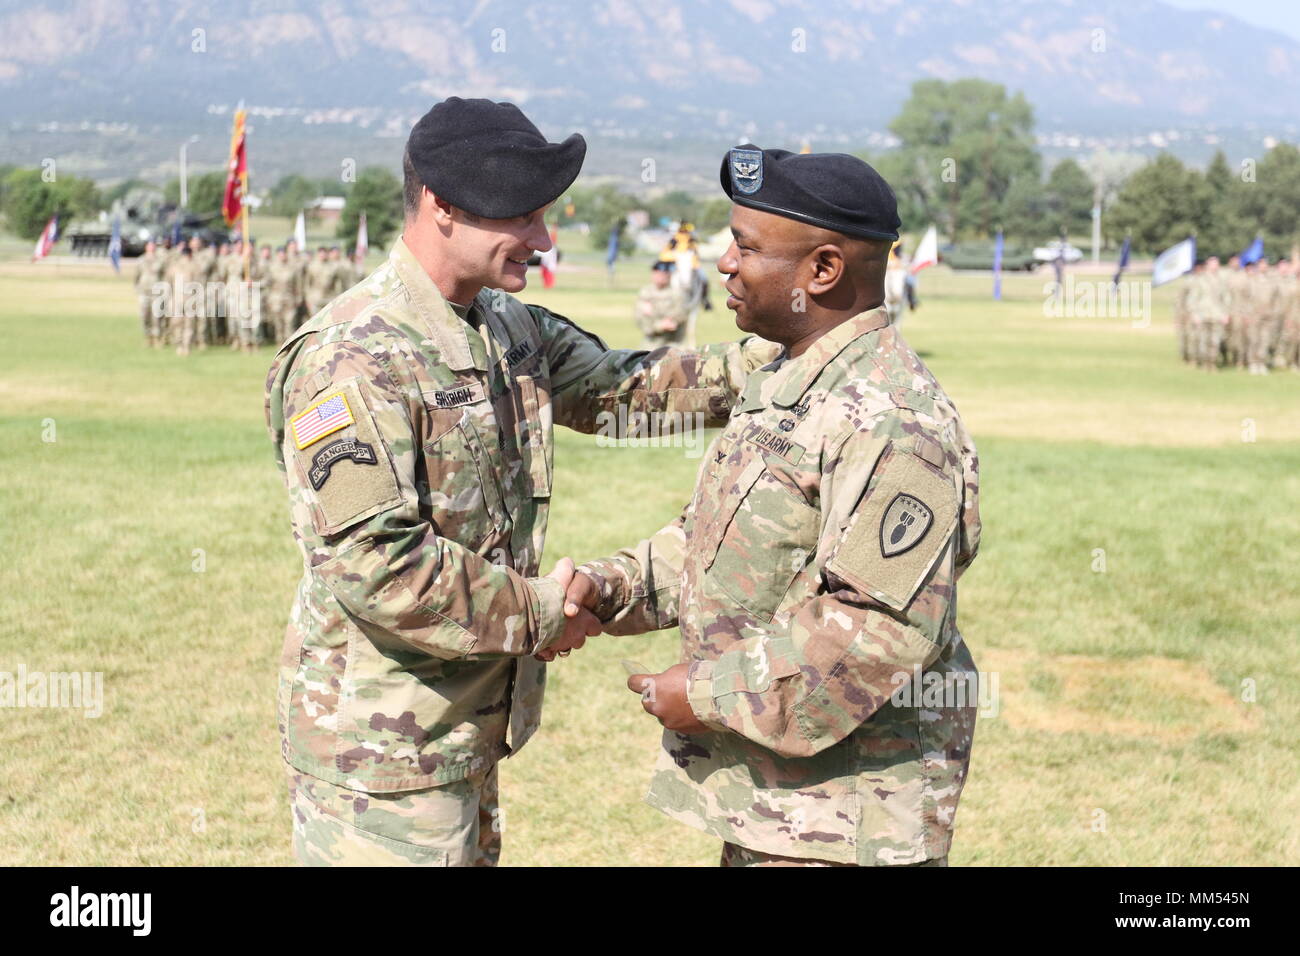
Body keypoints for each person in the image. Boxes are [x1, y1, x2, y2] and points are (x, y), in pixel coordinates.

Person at [263, 97, 777, 867]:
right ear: (439, 205)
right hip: (382, 755)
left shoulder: (504, 325)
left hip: (463, 732)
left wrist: (781, 358)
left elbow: (623, 390)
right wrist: (541, 611)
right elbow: (379, 564)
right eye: (522, 219)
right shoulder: (352, 355)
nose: (542, 239)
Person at [564, 145, 981, 867]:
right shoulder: (792, 378)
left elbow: (872, 632)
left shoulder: (893, 419)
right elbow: (723, 542)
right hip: (777, 808)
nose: (724, 262)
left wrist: (708, 695)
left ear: (822, 270)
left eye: (747, 247)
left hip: (844, 823)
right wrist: (611, 587)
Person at [635, 261, 687, 348]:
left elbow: (679, 316)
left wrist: (666, 322)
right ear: (653, 274)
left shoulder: (677, 293)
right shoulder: (645, 293)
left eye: (665, 274)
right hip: (650, 345)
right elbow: (642, 321)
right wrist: (660, 325)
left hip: (673, 345)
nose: (661, 276)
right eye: (658, 273)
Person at [133, 240, 167, 348]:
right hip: (144, 292)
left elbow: (164, 276)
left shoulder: (160, 261)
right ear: (146, 247)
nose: (151, 248)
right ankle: (148, 338)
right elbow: (136, 276)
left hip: (157, 292)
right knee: (144, 316)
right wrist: (137, 289)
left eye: (153, 246)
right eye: (149, 246)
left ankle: (157, 338)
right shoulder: (141, 260)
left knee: (157, 316)